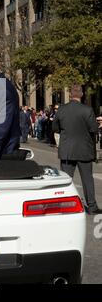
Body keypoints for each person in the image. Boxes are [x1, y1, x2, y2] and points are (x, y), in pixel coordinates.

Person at [52, 84, 102, 215]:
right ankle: (91, 206)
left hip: (67, 149)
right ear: (81, 94)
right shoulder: (87, 110)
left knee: (66, 180)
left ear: (70, 95)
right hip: (84, 149)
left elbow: (55, 128)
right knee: (87, 179)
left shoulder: (62, 110)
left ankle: (63, 205)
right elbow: (94, 129)